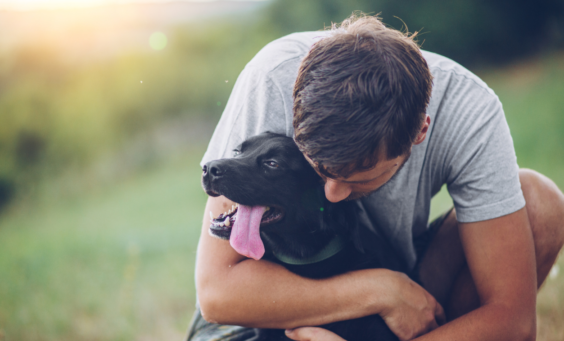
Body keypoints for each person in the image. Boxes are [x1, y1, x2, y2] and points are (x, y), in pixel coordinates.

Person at [187, 14, 564, 341]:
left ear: (420, 133)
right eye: (320, 168)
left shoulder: (470, 113)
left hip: (411, 275)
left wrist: (396, 293)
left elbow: (512, 323)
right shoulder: (272, 80)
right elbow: (219, 293)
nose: (333, 193)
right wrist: (379, 290)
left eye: (358, 177)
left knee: (540, 203)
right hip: (279, 299)